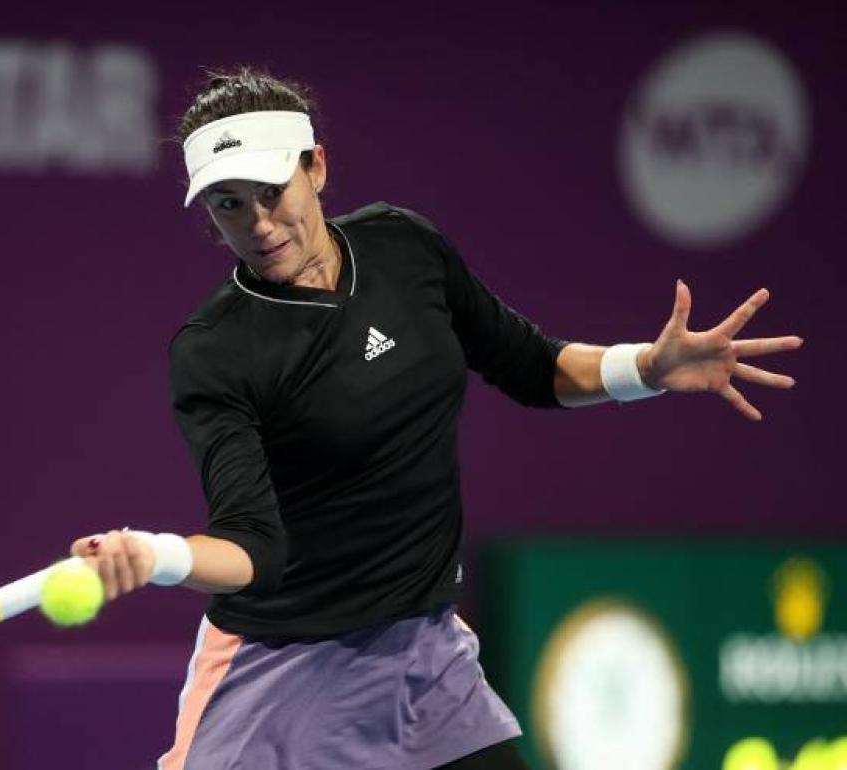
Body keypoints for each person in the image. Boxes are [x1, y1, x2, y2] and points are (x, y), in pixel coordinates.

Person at [68, 68, 802, 770]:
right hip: (282, 668)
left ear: (316, 167)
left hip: (423, 654)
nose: (259, 223)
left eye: (270, 190)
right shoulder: (215, 350)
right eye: (229, 203)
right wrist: (159, 555)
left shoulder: (404, 247)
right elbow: (252, 546)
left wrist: (645, 368)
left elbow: (533, 366)